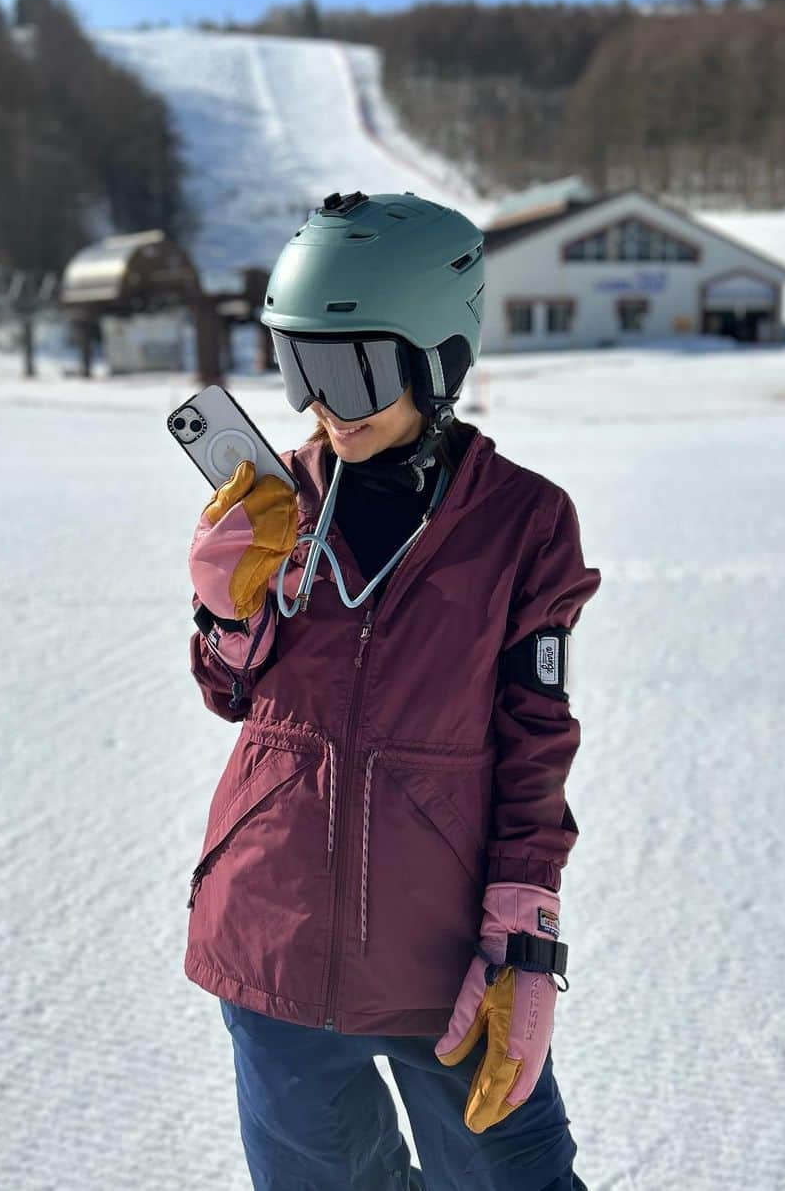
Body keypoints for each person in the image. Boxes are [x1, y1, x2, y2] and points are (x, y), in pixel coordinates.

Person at [185, 190, 601, 1190]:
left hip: (442, 955)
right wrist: (226, 610)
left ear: (437, 358)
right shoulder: (276, 504)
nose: (322, 406)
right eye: (298, 368)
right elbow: (232, 696)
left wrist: (523, 935)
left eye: (354, 370)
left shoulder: (523, 525)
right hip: (273, 939)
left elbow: (536, 739)